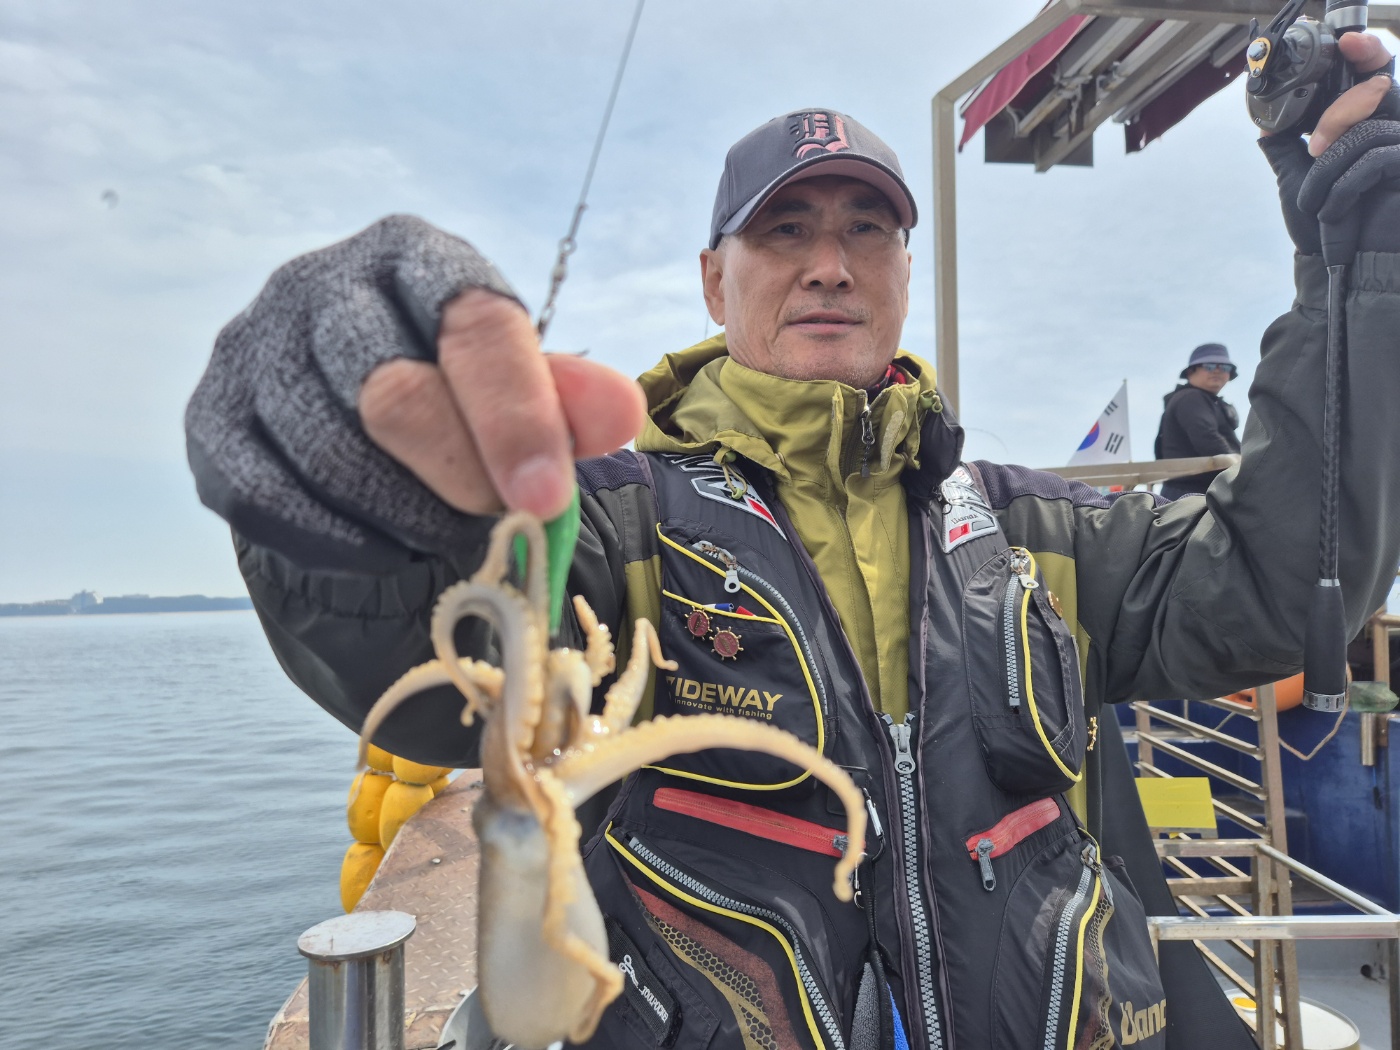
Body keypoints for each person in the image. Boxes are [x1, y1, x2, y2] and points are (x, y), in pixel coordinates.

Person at [186, 34, 1400, 1050]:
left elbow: (1279, 585)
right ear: (713, 282)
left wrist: (1359, 271)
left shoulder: (1035, 529)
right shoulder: (612, 526)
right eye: (783, 233)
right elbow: (413, 656)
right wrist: (330, 467)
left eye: (866, 229)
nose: (828, 265)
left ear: (904, 271)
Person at [1154, 343, 1241, 499]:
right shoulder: (1191, 397)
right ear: (1190, 372)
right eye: (1209, 366)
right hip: (1191, 496)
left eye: (1224, 367)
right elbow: (1208, 440)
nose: (1217, 370)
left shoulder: (1208, 401)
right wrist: (1246, 471)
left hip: (1201, 494)